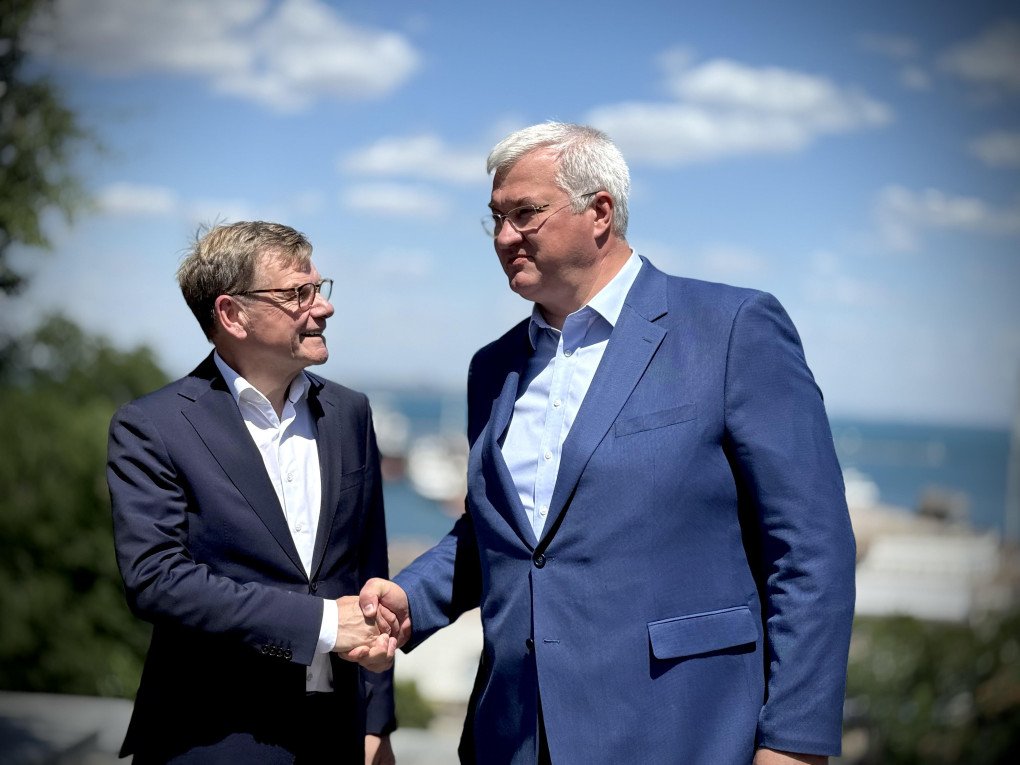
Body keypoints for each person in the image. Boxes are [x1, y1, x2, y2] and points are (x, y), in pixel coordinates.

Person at [358, 123, 857, 764]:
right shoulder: (493, 366)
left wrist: (794, 744)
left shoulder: (733, 328)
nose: (505, 237)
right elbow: (509, 533)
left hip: (682, 731)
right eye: (496, 218)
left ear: (600, 212)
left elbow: (812, 550)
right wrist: (411, 598)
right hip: (512, 736)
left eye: (525, 214)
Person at [108, 221, 398, 764]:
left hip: (338, 736)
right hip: (212, 737)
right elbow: (156, 580)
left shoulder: (350, 412)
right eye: (298, 293)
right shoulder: (153, 425)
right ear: (232, 315)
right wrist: (325, 625)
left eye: (319, 288)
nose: (323, 307)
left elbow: (369, 569)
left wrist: (377, 722)